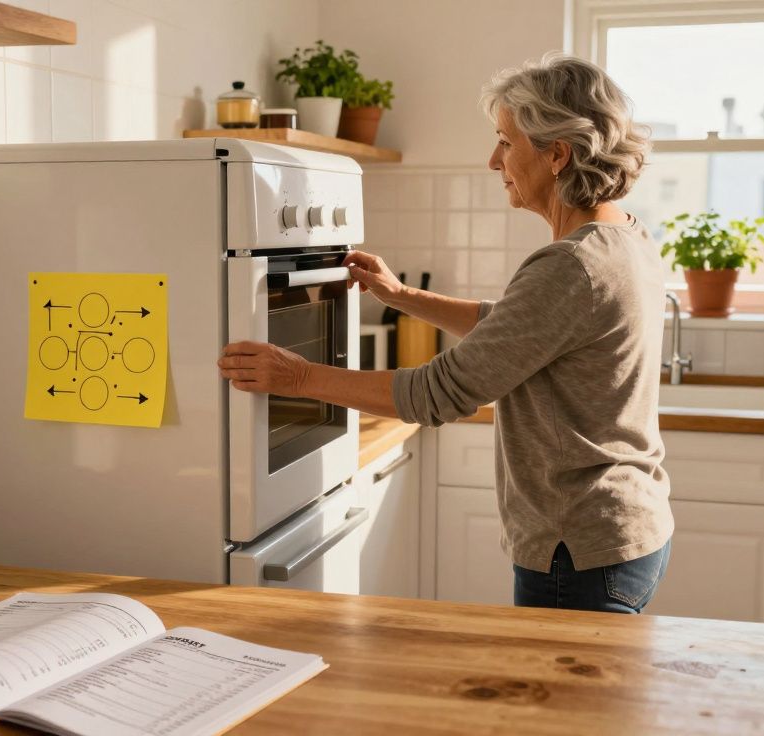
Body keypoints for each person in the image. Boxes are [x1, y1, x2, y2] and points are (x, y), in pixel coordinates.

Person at [218, 51, 672, 613]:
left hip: (578, 550)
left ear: (557, 154)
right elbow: (518, 330)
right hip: (624, 531)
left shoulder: (570, 265)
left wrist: (297, 377)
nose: (493, 160)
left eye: (505, 142)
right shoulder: (624, 236)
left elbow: (438, 393)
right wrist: (403, 296)